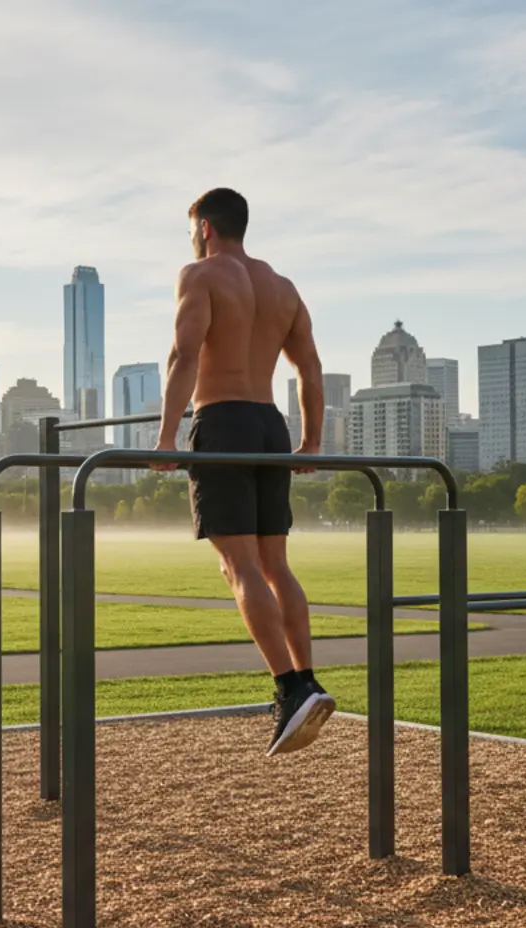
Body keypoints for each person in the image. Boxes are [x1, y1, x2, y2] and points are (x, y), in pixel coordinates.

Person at [155, 187, 332, 756]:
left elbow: (185, 356)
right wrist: (311, 442)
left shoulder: (201, 275)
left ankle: (288, 688)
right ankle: (306, 679)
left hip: (224, 423)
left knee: (238, 566)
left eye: (191, 230)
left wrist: (164, 438)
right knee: (275, 563)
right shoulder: (282, 288)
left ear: (205, 227)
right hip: (269, 427)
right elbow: (310, 368)